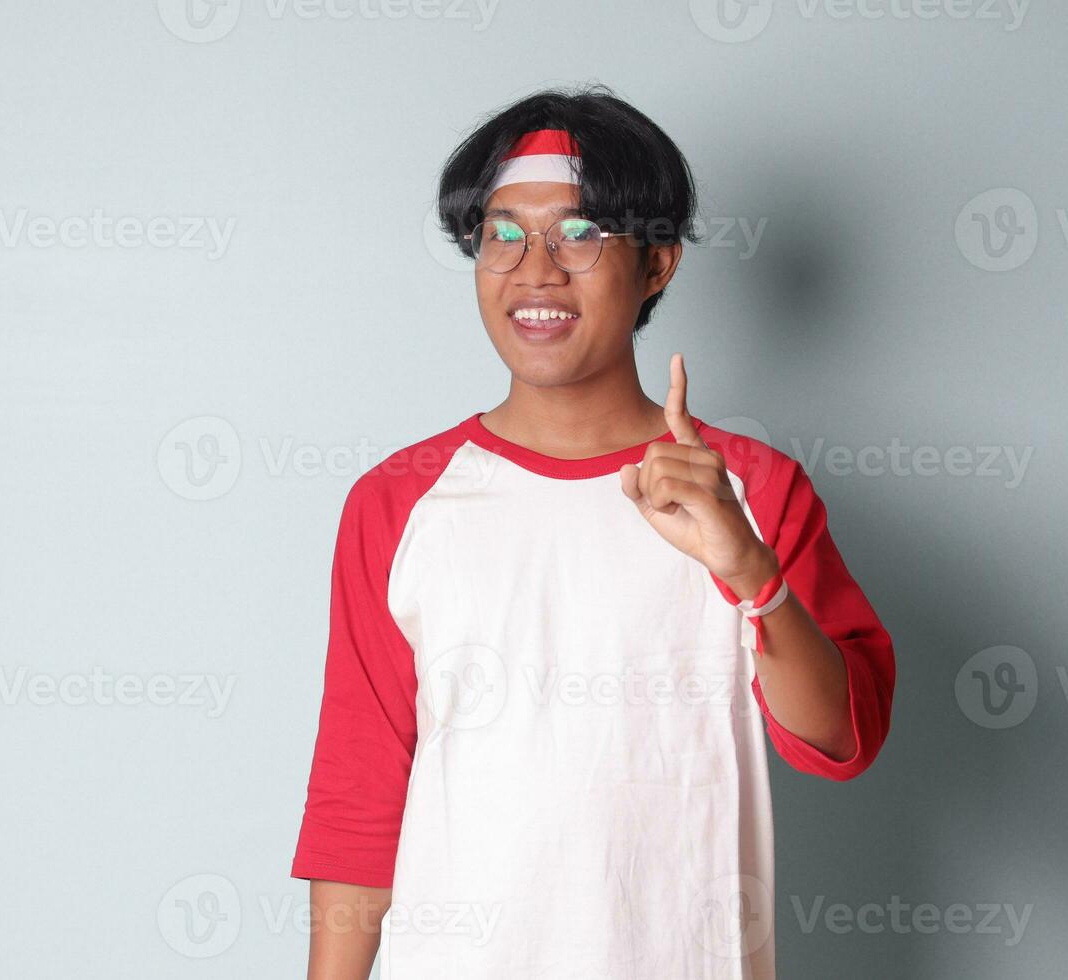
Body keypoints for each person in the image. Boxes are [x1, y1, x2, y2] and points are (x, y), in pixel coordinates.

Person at [290, 83, 896, 980]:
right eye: (503, 233)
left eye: (580, 235)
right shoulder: (398, 500)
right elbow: (360, 792)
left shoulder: (750, 491)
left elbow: (843, 738)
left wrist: (750, 570)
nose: (536, 270)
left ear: (657, 265)